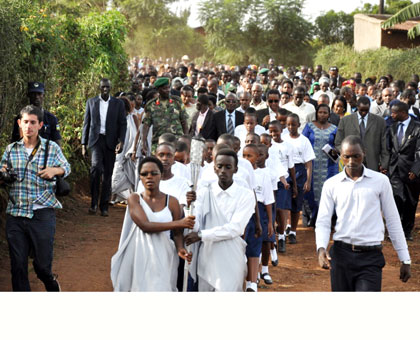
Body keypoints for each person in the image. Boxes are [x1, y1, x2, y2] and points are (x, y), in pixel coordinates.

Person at [316, 135, 411, 291]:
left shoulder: (380, 181)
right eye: (346, 157)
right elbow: (323, 221)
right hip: (340, 256)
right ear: (340, 156)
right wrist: (321, 248)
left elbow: (392, 219)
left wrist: (405, 259)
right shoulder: (331, 185)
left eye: (356, 156)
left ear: (364, 153)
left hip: (370, 257)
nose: (351, 161)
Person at [2, 105, 71, 291]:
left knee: (41, 267)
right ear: (19, 123)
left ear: (40, 125)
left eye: (33, 122)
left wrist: (54, 171)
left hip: (42, 214)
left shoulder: (51, 148)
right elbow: (3, 169)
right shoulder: (11, 150)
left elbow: (67, 167)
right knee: (17, 267)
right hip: (16, 214)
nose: (29, 126)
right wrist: (4, 174)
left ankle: (51, 282)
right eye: (25, 122)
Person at [110, 157, 193, 291]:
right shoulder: (134, 199)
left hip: (165, 255)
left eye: (154, 173)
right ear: (140, 177)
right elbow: (145, 226)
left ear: (161, 175)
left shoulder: (172, 202)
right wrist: (179, 223)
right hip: (140, 254)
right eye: (144, 174)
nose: (149, 177)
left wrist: (180, 248)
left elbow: (178, 234)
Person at [185, 149, 255, 291]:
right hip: (207, 257)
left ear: (235, 169)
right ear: (214, 168)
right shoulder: (204, 192)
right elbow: (196, 224)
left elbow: (236, 228)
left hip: (231, 257)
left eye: (228, 167)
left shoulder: (245, 195)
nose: (223, 170)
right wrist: (189, 207)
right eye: (220, 166)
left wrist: (201, 235)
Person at [82, 78, 127, 216]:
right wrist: (83, 144)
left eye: (107, 87)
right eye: (103, 87)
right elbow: (86, 123)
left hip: (110, 141)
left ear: (110, 88)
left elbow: (122, 123)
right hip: (96, 140)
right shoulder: (91, 102)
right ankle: (93, 203)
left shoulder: (118, 103)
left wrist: (121, 141)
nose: (105, 89)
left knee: (108, 174)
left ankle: (104, 206)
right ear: (99, 88)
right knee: (95, 169)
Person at [242, 144, 274, 291]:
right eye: (244, 156)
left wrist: (269, 222)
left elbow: (267, 200)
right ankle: (242, 279)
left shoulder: (263, 175)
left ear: (258, 158)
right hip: (242, 212)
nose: (246, 159)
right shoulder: (239, 173)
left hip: (259, 211)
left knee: (255, 247)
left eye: (250, 156)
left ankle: (252, 283)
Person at [387, 101, 420, 241]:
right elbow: (388, 149)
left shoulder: (417, 128)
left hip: (411, 171)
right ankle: (395, 230)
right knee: (396, 199)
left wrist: (416, 169)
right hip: (394, 170)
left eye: (394, 112)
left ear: (403, 113)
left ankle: (407, 231)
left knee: (410, 201)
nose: (391, 115)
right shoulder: (392, 128)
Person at [302, 104, 338, 226]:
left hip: (329, 166)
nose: (322, 115)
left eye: (325, 112)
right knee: (311, 191)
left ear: (329, 114)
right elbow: (303, 143)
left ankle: (327, 220)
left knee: (328, 191)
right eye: (320, 112)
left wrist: (331, 150)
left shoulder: (334, 128)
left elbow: (338, 147)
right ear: (316, 113)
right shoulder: (309, 126)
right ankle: (313, 218)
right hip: (311, 166)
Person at [283, 114, 315, 243]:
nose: (291, 127)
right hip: (285, 172)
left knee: (297, 203)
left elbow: (308, 163)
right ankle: (285, 227)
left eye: (294, 124)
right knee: (285, 202)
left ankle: (293, 232)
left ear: (298, 125)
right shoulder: (283, 139)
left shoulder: (304, 141)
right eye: (289, 124)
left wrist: (308, 181)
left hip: (299, 172)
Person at [335, 96, 389, 172]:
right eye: (361, 110)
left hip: (372, 163)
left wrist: (384, 164)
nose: (364, 113)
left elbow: (384, 145)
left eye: (366, 110)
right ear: (357, 107)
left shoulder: (380, 121)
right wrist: (347, 156)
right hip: (351, 164)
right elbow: (338, 143)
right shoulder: (345, 121)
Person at [141, 77, 189, 155]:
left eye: (168, 87)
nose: (168, 90)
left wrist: (186, 140)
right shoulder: (151, 105)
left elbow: (184, 122)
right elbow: (146, 125)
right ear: (158, 90)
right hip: (158, 143)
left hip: (176, 142)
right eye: (164, 88)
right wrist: (143, 143)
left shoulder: (177, 101)